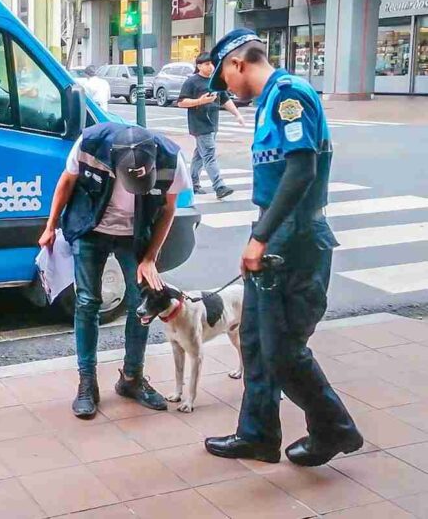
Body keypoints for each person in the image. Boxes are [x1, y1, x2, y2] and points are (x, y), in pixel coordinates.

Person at [202, 28, 363, 466]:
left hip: (296, 242)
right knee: (254, 341)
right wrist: (261, 234)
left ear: (238, 63)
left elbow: (301, 171)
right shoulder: (271, 101)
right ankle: (256, 435)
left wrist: (260, 238)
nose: (227, 89)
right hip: (275, 235)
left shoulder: (290, 94)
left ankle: (334, 428)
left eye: (225, 79)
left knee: (283, 350)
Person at [39, 123, 191, 419]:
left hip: (134, 235)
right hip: (90, 228)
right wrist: (50, 226)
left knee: (141, 305)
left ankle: (132, 379)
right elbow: (66, 182)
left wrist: (150, 257)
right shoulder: (90, 144)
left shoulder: (172, 159)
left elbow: (169, 209)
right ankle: (87, 383)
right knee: (86, 302)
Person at [177, 52, 246, 200]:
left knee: (199, 155)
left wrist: (237, 115)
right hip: (200, 125)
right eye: (207, 64)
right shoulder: (192, 82)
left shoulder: (216, 82)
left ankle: (192, 183)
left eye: (212, 63)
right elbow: (181, 102)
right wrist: (199, 102)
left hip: (213, 124)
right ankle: (219, 186)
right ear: (199, 66)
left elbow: (225, 100)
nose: (211, 67)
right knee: (209, 155)